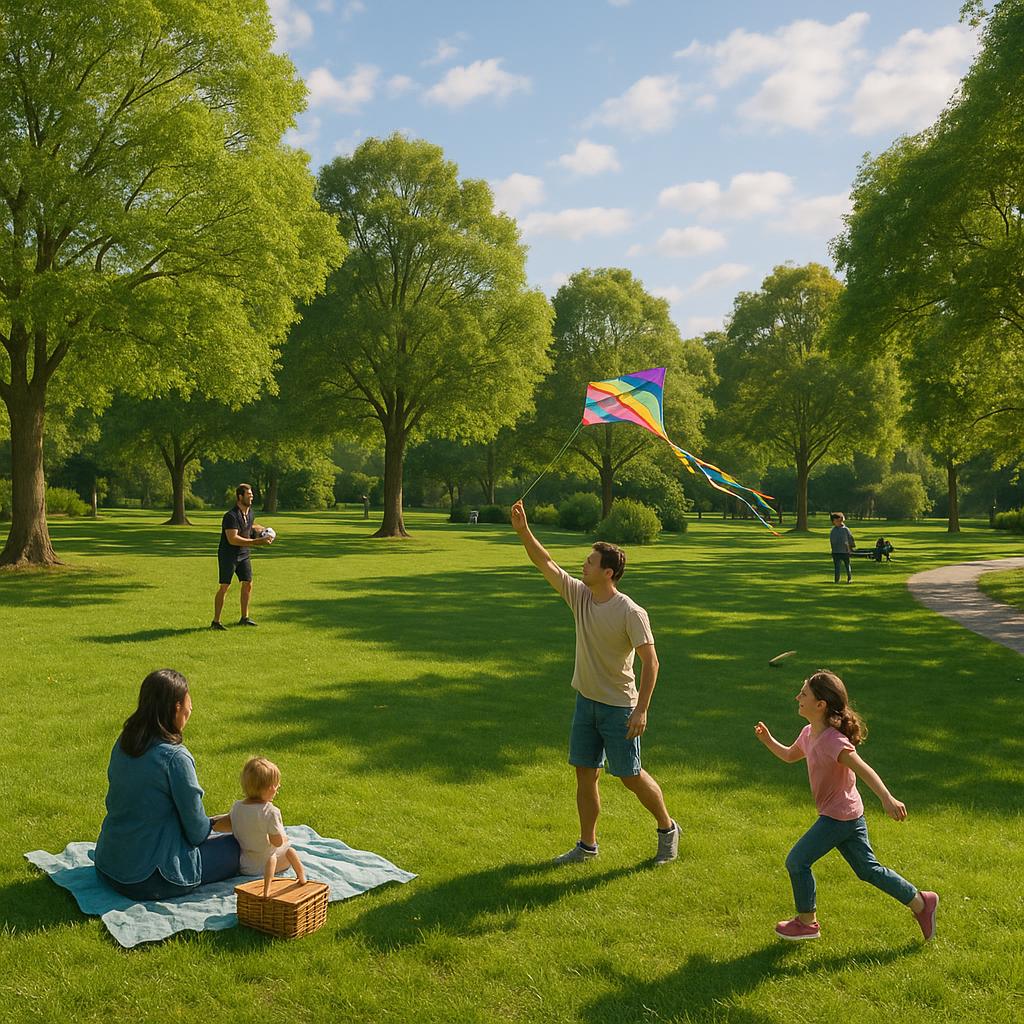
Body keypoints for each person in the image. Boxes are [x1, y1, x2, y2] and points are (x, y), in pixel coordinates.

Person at [510, 499, 680, 865]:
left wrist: (642, 710)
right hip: (585, 702)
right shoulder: (581, 597)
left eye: (589, 561)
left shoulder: (631, 612)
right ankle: (587, 847)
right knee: (585, 775)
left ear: (608, 572)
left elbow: (651, 662)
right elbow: (546, 563)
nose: (582, 565)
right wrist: (524, 530)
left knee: (630, 776)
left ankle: (668, 829)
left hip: (619, 707)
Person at [754, 670, 938, 942]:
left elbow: (864, 769)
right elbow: (791, 755)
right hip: (849, 814)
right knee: (868, 869)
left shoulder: (834, 741)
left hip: (838, 817)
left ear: (821, 705)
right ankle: (921, 902)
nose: (797, 697)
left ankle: (807, 922)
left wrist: (887, 798)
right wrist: (768, 740)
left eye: (803, 693)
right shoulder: (809, 732)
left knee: (797, 860)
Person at [95, 669, 240, 900]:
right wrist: (217, 822)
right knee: (241, 846)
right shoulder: (175, 759)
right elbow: (196, 833)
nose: (191, 708)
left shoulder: (124, 742)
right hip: (150, 877)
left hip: (110, 864)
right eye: (188, 702)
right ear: (176, 707)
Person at [231, 757, 307, 898]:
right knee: (290, 850)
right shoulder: (270, 811)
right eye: (277, 785)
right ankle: (302, 876)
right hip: (265, 864)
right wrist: (283, 837)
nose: (278, 788)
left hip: (245, 864)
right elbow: (277, 842)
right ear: (270, 788)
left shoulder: (236, 807)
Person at [212, 483, 273, 630]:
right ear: (240, 497)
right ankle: (216, 622)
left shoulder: (250, 512)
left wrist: (263, 530)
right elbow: (233, 539)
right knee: (224, 587)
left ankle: (244, 618)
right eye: (249, 495)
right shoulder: (230, 516)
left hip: (244, 554)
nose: (251, 497)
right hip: (229, 555)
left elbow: (250, 525)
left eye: (251, 495)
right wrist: (257, 542)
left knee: (248, 583)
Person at [829, 512, 856, 583]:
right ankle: (837, 580)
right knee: (837, 567)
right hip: (836, 552)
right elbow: (832, 541)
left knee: (847, 565)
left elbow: (850, 539)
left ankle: (849, 578)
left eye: (838, 520)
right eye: (835, 521)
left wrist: (851, 548)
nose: (836, 522)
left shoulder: (845, 529)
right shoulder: (833, 530)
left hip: (845, 551)